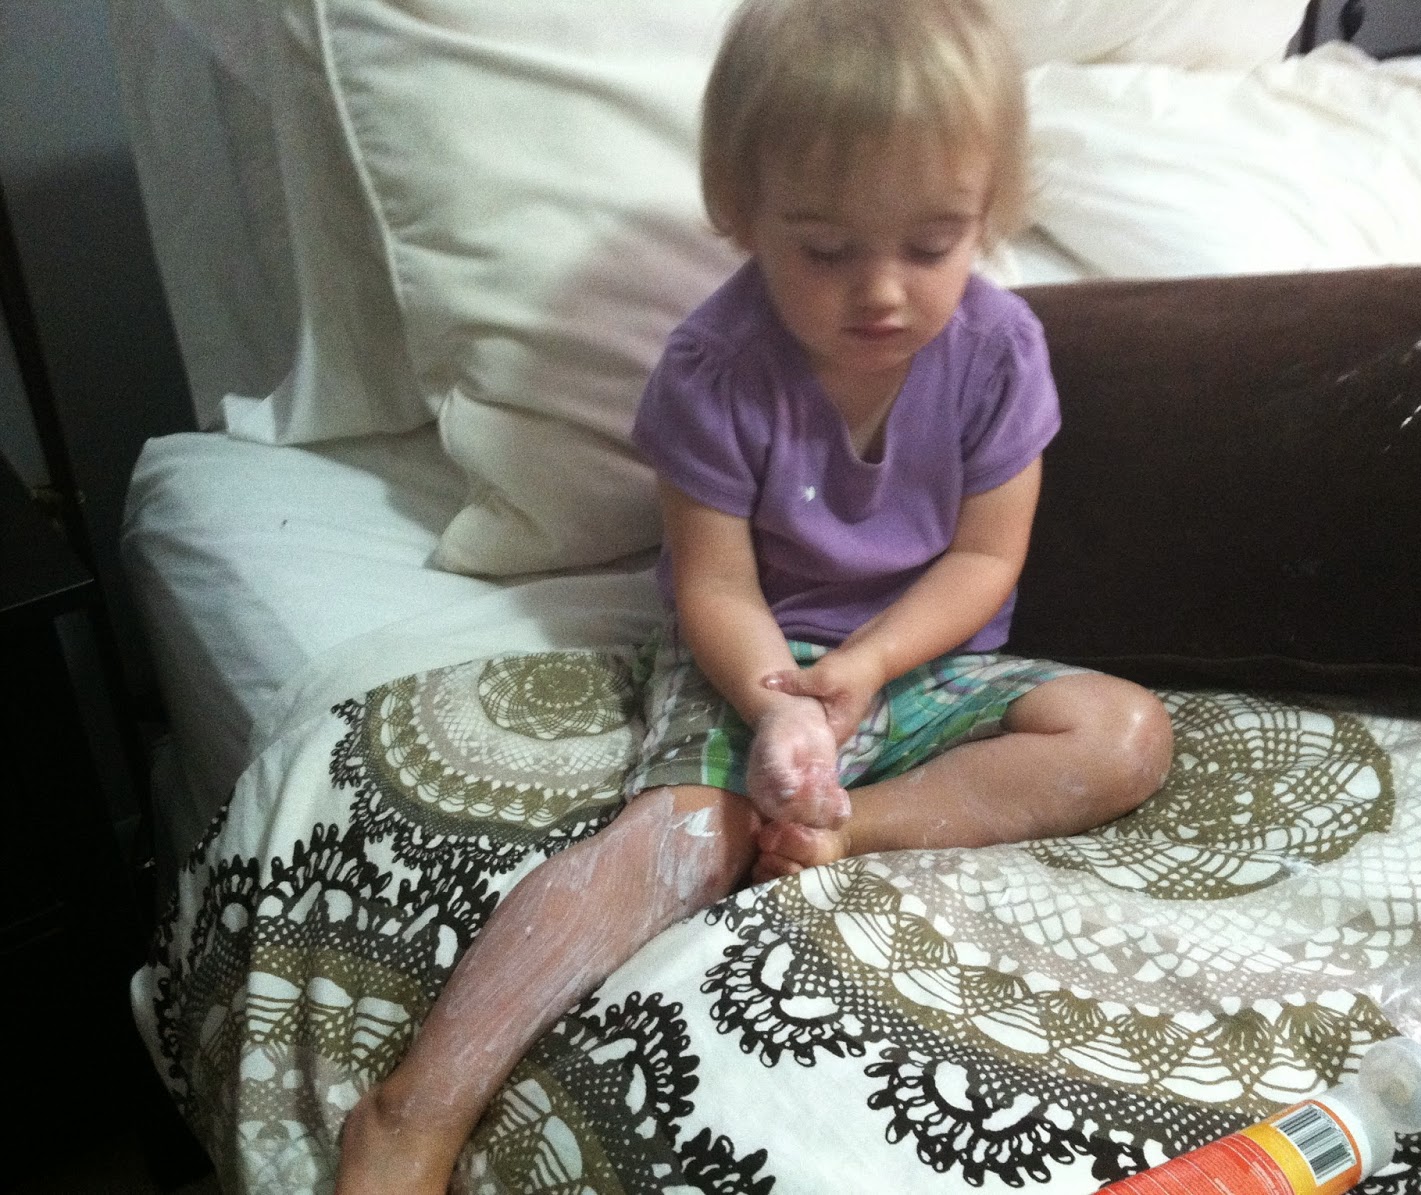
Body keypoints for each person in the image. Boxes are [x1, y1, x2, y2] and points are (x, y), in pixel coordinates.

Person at [334, 0, 1172, 1190]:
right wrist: (781, 702)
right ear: (743, 211)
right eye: (826, 251)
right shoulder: (713, 369)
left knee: (1125, 732)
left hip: (920, 660)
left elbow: (984, 563)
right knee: (682, 835)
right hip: (755, 657)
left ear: (988, 214)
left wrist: (869, 670)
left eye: (931, 245)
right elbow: (715, 581)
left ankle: (842, 828)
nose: (881, 292)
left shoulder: (1000, 351)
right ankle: (417, 1105)